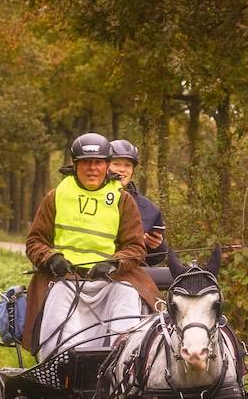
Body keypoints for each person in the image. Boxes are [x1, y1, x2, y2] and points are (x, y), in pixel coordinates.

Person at [23, 133, 160, 358]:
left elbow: (135, 248)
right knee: (58, 301)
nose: (92, 168)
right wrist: (51, 258)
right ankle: (60, 360)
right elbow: (35, 242)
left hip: (110, 279)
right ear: (75, 165)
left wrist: (114, 263)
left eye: (98, 162)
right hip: (65, 279)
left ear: (107, 165)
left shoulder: (123, 200)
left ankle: (125, 358)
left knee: (127, 293)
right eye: (86, 162)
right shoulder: (55, 197)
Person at [108, 139, 168, 266]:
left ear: (133, 170)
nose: (122, 170)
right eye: (116, 164)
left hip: (131, 270)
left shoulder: (150, 209)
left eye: (127, 165)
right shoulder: (90, 198)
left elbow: (156, 258)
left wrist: (156, 246)